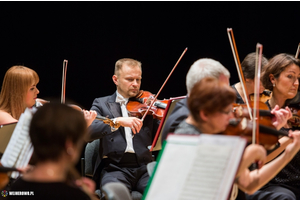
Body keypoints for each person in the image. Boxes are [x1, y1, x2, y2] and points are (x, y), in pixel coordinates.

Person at [174, 77, 300, 198]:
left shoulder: (218, 134)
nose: (232, 117)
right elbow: (217, 180)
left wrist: (287, 155)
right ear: (205, 114)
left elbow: (250, 184)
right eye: (226, 112)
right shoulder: (189, 137)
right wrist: (250, 153)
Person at [87, 58, 160, 198]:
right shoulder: (101, 103)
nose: (135, 84)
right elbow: (89, 132)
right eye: (130, 79)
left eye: (138, 79)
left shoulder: (148, 105)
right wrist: (117, 121)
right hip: (115, 168)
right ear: (116, 79)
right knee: (115, 196)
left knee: (162, 193)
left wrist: (166, 114)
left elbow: (162, 133)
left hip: (145, 167)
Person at [7, 103, 97, 200]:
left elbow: (6, 194)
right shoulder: (74, 195)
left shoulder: (16, 187)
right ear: (69, 145)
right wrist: (88, 195)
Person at [246, 53, 300, 200]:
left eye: (298, 78)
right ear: (272, 79)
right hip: (272, 183)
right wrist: (290, 139)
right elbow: (258, 159)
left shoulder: (296, 111)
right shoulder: (261, 113)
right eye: (290, 76)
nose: (296, 83)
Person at [161, 58, 231, 144]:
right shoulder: (182, 121)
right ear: (204, 90)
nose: (231, 116)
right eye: (223, 91)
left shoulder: (191, 110)